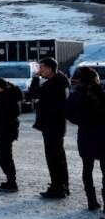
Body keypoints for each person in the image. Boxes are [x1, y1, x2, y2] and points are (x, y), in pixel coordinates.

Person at [64, 66, 105, 213]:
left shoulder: (76, 95)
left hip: (86, 136)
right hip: (103, 136)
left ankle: (91, 201)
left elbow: (67, 112)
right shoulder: (102, 92)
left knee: (87, 170)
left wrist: (80, 121)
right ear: (96, 78)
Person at [31, 57, 71, 199]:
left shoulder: (53, 85)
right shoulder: (59, 81)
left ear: (49, 69)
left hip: (51, 126)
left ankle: (57, 188)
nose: (39, 70)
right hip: (56, 125)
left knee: (53, 158)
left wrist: (35, 78)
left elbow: (33, 93)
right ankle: (63, 185)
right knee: (59, 157)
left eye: (41, 68)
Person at [0, 77, 23, 192]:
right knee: (4, 154)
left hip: (5, 130)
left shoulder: (5, 96)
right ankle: (11, 180)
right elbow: (8, 111)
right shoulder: (11, 94)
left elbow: (2, 115)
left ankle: (12, 181)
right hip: (9, 129)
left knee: (1, 154)